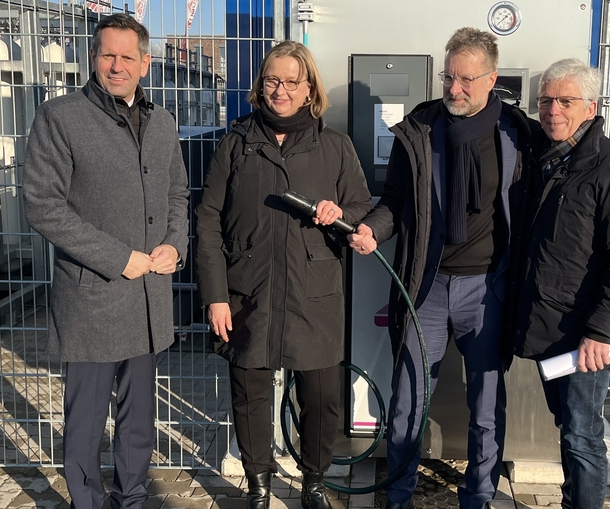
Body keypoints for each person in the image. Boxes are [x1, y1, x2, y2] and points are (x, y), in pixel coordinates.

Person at [347, 27, 529, 509]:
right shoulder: (421, 129)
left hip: (488, 288)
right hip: (424, 286)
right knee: (408, 399)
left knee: (486, 406)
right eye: (449, 76)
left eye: (466, 79)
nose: (454, 89)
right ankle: (399, 496)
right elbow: (396, 203)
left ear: (491, 79)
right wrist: (371, 230)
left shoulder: (517, 134)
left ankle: (480, 496)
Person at [194, 40, 371, 509]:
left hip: (314, 294)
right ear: (260, 84)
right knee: (249, 393)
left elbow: (361, 205)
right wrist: (214, 295)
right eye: (273, 79)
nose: (281, 90)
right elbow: (208, 220)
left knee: (320, 396)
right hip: (245, 293)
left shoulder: (334, 146)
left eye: (293, 81)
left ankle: (314, 482)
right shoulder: (236, 144)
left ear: (309, 87)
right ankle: (259, 485)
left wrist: (342, 212)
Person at [22, 13, 189, 509]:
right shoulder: (61, 117)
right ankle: (88, 502)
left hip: (148, 299)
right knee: (86, 419)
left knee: (138, 419)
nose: (117, 65)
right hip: (92, 299)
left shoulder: (162, 122)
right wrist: (119, 258)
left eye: (127, 56)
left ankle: (132, 497)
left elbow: (178, 193)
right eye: (106, 54)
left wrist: (175, 244)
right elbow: (43, 206)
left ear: (145, 63)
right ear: (94, 57)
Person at [507, 58, 610, 509]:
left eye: (565, 101)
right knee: (568, 426)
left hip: (583, 334)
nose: (552, 110)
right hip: (548, 323)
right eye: (545, 101)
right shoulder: (547, 160)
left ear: (590, 107)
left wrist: (600, 331)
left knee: (582, 436)